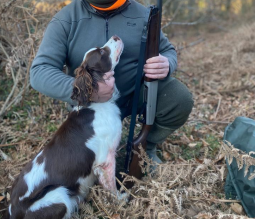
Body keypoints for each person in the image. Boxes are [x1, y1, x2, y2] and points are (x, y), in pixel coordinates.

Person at [30, 0, 194, 163]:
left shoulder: (143, 15)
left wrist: (167, 63)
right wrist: (87, 91)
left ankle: (146, 147)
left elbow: (166, 50)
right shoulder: (65, 19)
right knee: (84, 168)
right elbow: (40, 71)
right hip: (89, 106)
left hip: (134, 96)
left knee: (178, 97)